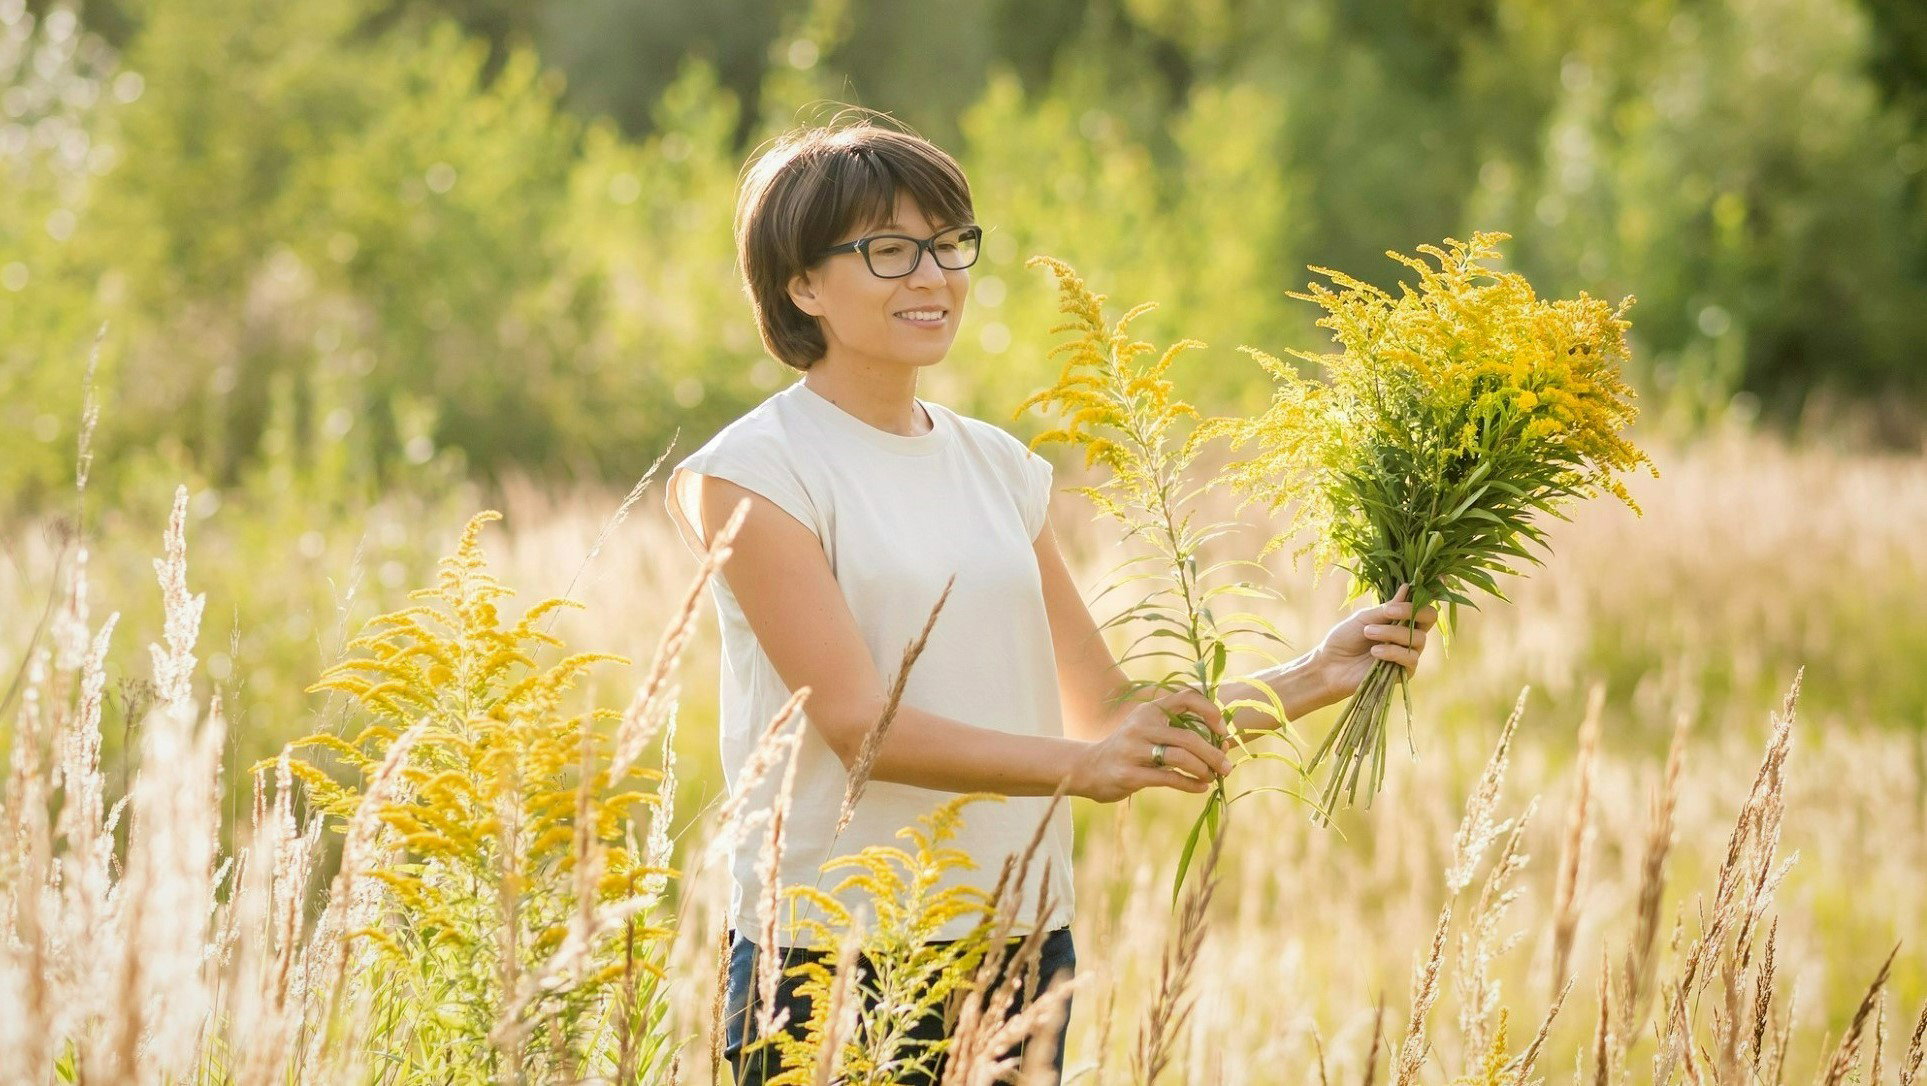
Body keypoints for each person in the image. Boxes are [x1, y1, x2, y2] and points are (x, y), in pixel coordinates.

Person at [662, 114, 1438, 1085]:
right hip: (833, 951)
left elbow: (1107, 712)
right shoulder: (751, 473)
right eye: (890, 250)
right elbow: (861, 727)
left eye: (949, 245)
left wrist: (1316, 673)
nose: (933, 276)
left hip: (1018, 943)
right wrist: (1084, 767)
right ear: (801, 283)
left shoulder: (998, 465)